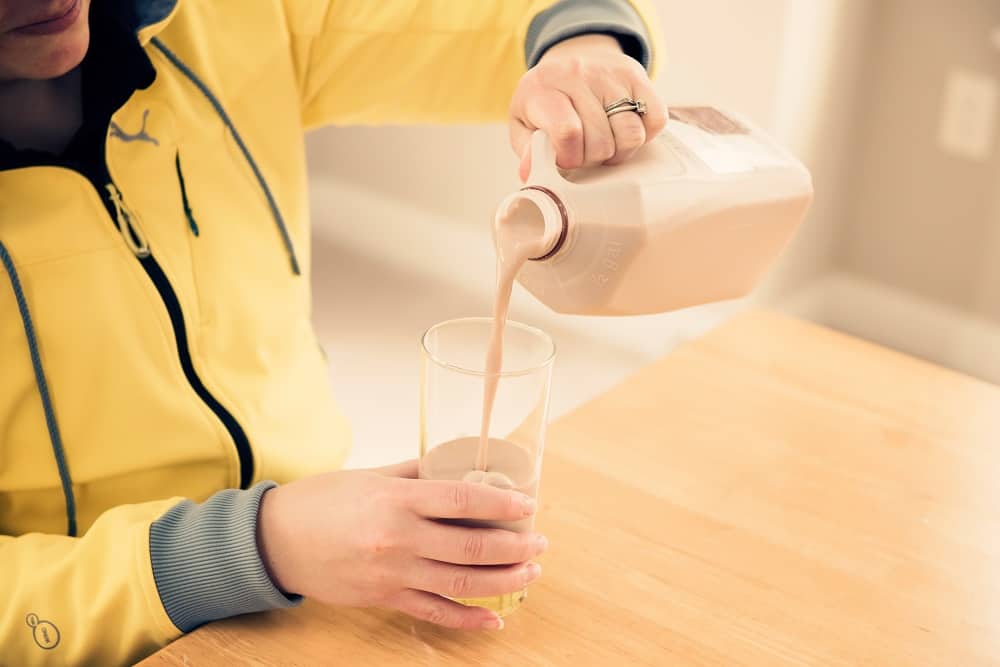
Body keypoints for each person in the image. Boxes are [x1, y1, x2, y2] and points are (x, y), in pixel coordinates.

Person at [0, 0, 666, 663]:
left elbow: (512, 18)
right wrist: (252, 545)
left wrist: (581, 49)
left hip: (327, 600)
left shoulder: (225, 17)